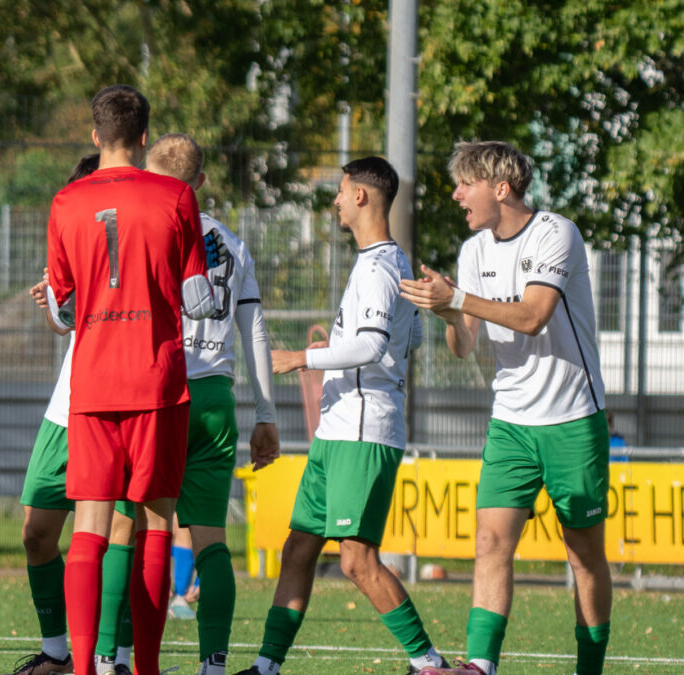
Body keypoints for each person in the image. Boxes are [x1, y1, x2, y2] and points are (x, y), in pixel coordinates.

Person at [399, 141, 611, 675]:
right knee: (491, 540)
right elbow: (465, 345)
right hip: (511, 422)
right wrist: (449, 314)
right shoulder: (474, 250)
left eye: (464, 183)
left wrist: (459, 300)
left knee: (583, 555)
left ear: (501, 188)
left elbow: (533, 315)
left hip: (572, 419)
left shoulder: (555, 232)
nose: (456, 194)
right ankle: (480, 665)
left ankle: (590, 669)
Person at [235, 157, 446, 675]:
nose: (334, 200)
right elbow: (411, 337)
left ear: (361, 197)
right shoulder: (385, 262)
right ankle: (266, 667)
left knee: (355, 560)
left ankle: (429, 664)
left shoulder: (379, 266)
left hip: (361, 430)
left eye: (340, 190)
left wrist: (300, 358)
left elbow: (372, 346)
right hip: (338, 429)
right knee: (300, 548)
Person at [45, 84, 215, 675]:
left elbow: (63, 309)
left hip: (92, 384)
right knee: (156, 523)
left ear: (95, 136)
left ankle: (84, 668)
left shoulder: (65, 203)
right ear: (145, 136)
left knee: (90, 528)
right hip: (158, 381)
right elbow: (198, 299)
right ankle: (145, 668)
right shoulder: (176, 196)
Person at [146, 133, 280, 675]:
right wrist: (266, 415)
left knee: (145, 530)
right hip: (217, 398)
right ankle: (215, 665)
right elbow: (257, 332)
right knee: (211, 542)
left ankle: (125, 656)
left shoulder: (148, 229)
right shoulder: (235, 243)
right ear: (199, 182)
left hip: (162, 392)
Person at [7, 153, 99, 675]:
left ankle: (114, 656)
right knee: (36, 533)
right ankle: (57, 652)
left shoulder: (134, 235)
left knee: (111, 539)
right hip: (65, 411)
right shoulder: (69, 237)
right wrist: (55, 304)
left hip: (115, 407)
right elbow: (67, 325)